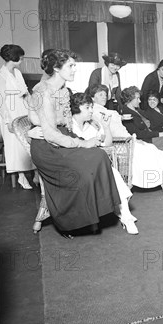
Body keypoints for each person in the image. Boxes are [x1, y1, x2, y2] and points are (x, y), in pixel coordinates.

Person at [27, 49, 132, 235]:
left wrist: (80, 137)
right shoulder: (43, 91)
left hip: (62, 138)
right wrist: (82, 143)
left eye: (75, 65)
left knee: (98, 155)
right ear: (56, 68)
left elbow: (65, 123)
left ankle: (97, 213)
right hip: (47, 148)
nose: (75, 69)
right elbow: (50, 134)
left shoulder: (64, 91)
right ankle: (72, 221)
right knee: (86, 162)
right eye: (71, 66)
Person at [88, 84, 163, 193]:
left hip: (128, 138)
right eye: (100, 94)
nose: (104, 97)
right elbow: (105, 131)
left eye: (105, 94)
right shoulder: (95, 112)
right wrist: (131, 138)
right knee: (150, 151)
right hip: (121, 142)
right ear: (93, 97)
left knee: (155, 151)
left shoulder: (104, 110)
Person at [70, 93, 138, 233]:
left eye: (91, 107)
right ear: (76, 108)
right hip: (76, 167)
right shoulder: (68, 126)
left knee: (111, 171)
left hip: (95, 165)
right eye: (87, 107)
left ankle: (126, 216)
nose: (91, 111)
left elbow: (107, 145)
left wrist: (106, 127)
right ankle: (124, 215)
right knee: (107, 170)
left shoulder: (91, 125)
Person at [0, 44, 38, 189]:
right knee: (15, 144)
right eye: (20, 58)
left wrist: (33, 107)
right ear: (14, 58)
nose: (22, 60)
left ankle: (36, 173)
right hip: (10, 111)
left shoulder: (17, 73)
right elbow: (0, 100)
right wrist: (7, 120)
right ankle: (21, 176)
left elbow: (25, 92)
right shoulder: (1, 75)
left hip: (22, 108)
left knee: (29, 141)